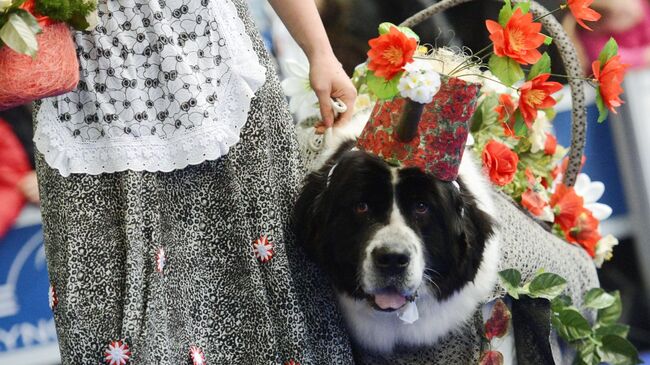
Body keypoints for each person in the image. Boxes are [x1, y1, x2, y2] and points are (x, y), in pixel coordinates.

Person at [32, 0, 356, 363]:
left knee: (271, 298)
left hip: (215, 71)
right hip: (86, 99)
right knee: (107, 319)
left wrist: (321, 52)